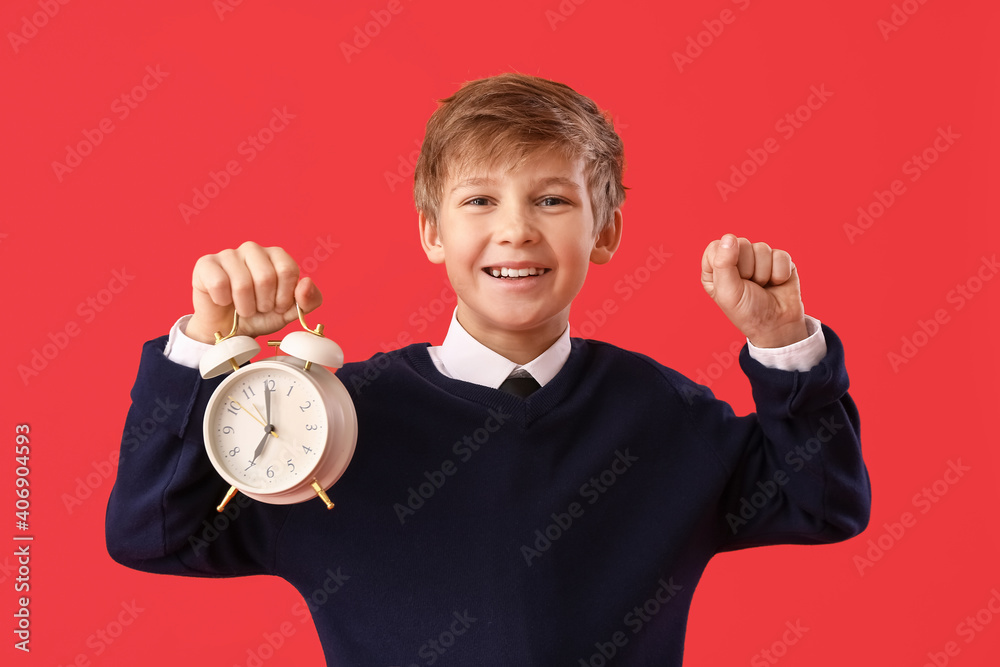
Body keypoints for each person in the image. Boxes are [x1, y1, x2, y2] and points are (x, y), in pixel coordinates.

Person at [106, 72, 871, 666]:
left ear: (605, 233)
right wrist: (207, 343)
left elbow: (824, 504)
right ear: (431, 233)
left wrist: (784, 345)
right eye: (479, 199)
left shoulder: (665, 415)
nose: (515, 229)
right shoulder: (328, 422)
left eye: (550, 198)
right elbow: (153, 532)